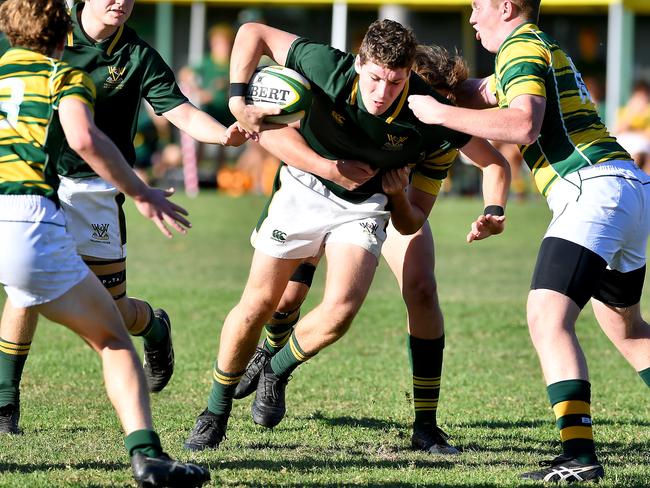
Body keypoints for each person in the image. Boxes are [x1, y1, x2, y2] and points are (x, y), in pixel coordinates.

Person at [183, 19, 510, 452]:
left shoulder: (431, 121)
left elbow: (414, 222)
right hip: (304, 184)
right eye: (374, 78)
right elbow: (251, 33)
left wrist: (397, 196)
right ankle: (214, 411)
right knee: (264, 302)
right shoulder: (328, 66)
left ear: (409, 75)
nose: (381, 92)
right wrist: (239, 99)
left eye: (395, 82)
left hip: (367, 205)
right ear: (359, 65)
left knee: (341, 311)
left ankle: (276, 369)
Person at [408, 0, 650, 483]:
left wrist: (437, 113)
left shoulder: (519, 47)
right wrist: (423, 86)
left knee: (546, 314)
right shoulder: (535, 48)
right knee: (624, 327)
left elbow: (522, 125)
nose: (472, 17)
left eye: (478, 6)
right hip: (629, 189)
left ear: (505, 6)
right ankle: (578, 454)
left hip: (591, 187)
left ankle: (578, 457)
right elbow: (479, 93)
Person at [0, 0, 248, 434]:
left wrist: (221, 135)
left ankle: (153, 326)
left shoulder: (137, 54)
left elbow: (180, 111)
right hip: (39, 183)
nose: (120, 1)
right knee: (24, 290)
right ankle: (5, 406)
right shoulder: (45, 33)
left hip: (98, 191)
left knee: (112, 310)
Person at [615, 79, 650, 174]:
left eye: (644, 96)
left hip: (643, 147)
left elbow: (647, 135)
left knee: (639, 155)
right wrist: (632, 112)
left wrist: (632, 130)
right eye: (638, 95)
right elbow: (618, 130)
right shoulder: (627, 110)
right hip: (627, 144)